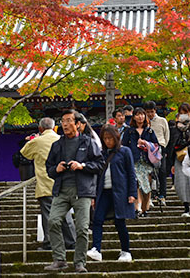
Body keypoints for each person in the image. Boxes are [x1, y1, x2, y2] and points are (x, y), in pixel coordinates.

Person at [45, 110, 105, 273]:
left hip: (83, 191)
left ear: (78, 124)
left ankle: (79, 262)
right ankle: (59, 259)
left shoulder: (88, 142)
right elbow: (48, 168)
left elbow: (100, 164)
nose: (64, 124)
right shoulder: (57, 144)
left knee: (82, 228)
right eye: (62, 121)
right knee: (53, 221)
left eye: (68, 120)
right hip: (62, 189)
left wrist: (82, 166)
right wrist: (56, 169)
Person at [21, 117, 76, 251]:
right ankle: (71, 241)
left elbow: (24, 153)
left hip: (45, 183)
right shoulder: (62, 140)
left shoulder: (37, 141)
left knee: (48, 215)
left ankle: (50, 242)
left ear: (40, 128)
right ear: (55, 127)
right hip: (63, 182)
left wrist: (32, 140)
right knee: (66, 214)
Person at [87, 125, 137, 263]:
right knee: (97, 219)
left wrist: (132, 193)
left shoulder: (125, 151)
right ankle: (96, 249)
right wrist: (93, 195)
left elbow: (131, 173)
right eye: (105, 138)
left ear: (116, 138)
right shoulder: (101, 154)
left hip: (120, 192)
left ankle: (126, 251)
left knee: (120, 222)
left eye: (110, 138)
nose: (108, 141)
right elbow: (96, 174)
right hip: (104, 192)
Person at [121, 107, 159, 217]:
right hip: (134, 161)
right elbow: (124, 145)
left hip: (147, 161)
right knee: (135, 184)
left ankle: (145, 208)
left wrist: (145, 143)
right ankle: (136, 208)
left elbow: (156, 145)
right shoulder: (129, 131)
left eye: (142, 114)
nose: (140, 117)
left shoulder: (149, 130)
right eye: (137, 114)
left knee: (146, 185)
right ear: (133, 117)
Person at [168, 102, 190, 217]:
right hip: (179, 157)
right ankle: (186, 208)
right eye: (182, 113)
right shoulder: (175, 128)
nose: (184, 115)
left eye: (186, 112)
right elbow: (171, 144)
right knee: (181, 183)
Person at [144, 101, 170, 206]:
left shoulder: (162, 121)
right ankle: (150, 195)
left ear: (155, 111)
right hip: (148, 148)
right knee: (149, 173)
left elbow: (167, 135)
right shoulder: (144, 123)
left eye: (152, 112)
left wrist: (163, 146)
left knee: (162, 171)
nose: (150, 114)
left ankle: (162, 195)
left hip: (160, 147)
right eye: (148, 112)